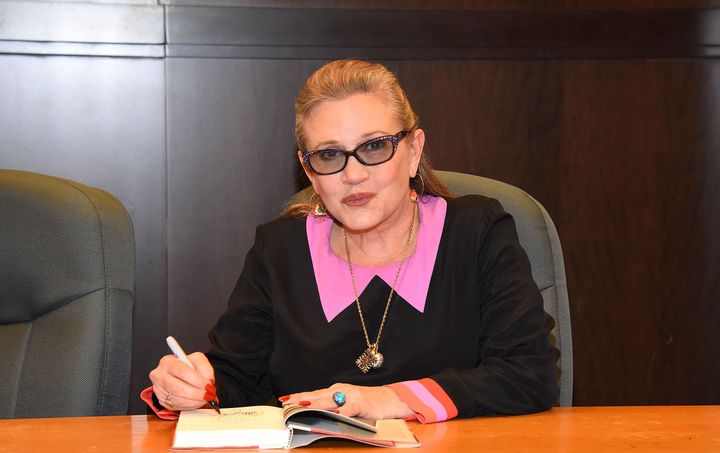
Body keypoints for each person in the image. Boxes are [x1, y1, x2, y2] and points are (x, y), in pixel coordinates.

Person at [145, 59, 559, 423]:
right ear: (310, 173)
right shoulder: (280, 251)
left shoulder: (476, 232)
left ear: (414, 152)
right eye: (329, 155)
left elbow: (528, 374)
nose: (353, 174)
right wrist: (188, 388)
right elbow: (236, 382)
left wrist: (387, 399)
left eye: (375, 147)